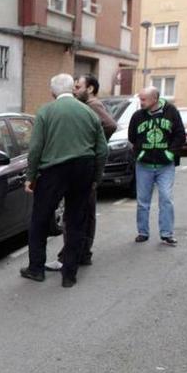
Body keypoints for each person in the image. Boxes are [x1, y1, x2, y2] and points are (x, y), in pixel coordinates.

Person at [21, 74, 109, 288]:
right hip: (83, 169)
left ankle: (36, 269)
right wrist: (96, 177)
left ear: (53, 92)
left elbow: (35, 149)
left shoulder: (46, 112)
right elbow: (102, 150)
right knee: (76, 220)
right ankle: (69, 275)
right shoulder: (89, 112)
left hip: (53, 171)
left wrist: (30, 177)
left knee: (40, 220)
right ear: (72, 89)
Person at [46, 74, 117, 271]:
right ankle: (83, 253)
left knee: (75, 215)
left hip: (85, 167)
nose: (74, 90)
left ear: (90, 89)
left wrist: (93, 143)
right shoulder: (90, 104)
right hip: (88, 168)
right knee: (85, 213)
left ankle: (69, 256)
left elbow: (110, 125)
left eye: (77, 87)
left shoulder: (92, 105)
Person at [127, 87, 186, 245]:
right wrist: (140, 153)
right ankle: (143, 232)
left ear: (154, 99)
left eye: (144, 99)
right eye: (140, 99)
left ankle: (167, 233)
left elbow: (180, 134)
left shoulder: (171, 111)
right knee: (142, 201)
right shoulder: (138, 116)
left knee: (166, 198)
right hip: (144, 164)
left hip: (165, 165)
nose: (141, 102)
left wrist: (170, 153)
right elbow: (132, 136)